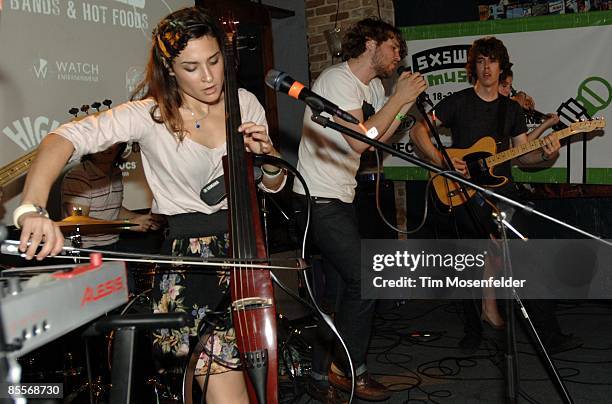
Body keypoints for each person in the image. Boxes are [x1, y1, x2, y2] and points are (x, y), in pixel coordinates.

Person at [13, 7, 285, 404]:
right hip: (192, 265)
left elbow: (271, 186)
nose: (209, 77)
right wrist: (31, 208)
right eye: (192, 67)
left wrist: (268, 156)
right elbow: (62, 138)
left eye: (214, 61)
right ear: (170, 68)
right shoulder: (150, 115)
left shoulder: (244, 103)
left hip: (246, 256)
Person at [411, 37, 581, 354]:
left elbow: (521, 156)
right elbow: (417, 130)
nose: (487, 67)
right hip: (462, 192)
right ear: (473, 67)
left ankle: (550, 335)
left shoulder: (511, 109)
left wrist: (547, 155)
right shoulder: (458, 101)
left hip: (502, 192)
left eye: (492, 61)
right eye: (481, 61)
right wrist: (441, 159)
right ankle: (472, 330)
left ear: (502, 67)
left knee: (529, 257)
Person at [292, 18, 427, 402]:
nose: (398, 55)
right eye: (393, 47)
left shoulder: (370, 86)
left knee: (338, 294)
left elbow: (379, 136)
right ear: (370, 44)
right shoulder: (338, 80)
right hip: (318, 199)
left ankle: (320, 377)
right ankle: (349, 369)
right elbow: (358, 143)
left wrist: (403, 107)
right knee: (366, 279)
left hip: (340, 197)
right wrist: (399, 100)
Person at [61, 143, 163, 249]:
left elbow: (114, 211)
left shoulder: (116, 172)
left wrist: (142, 219)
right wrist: (128, 224)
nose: (106, 146)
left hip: (111, 244)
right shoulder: (78, 175)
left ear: (120, 147)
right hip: (83, 250)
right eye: (101, 142)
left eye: (111, 142)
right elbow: (79, 222)